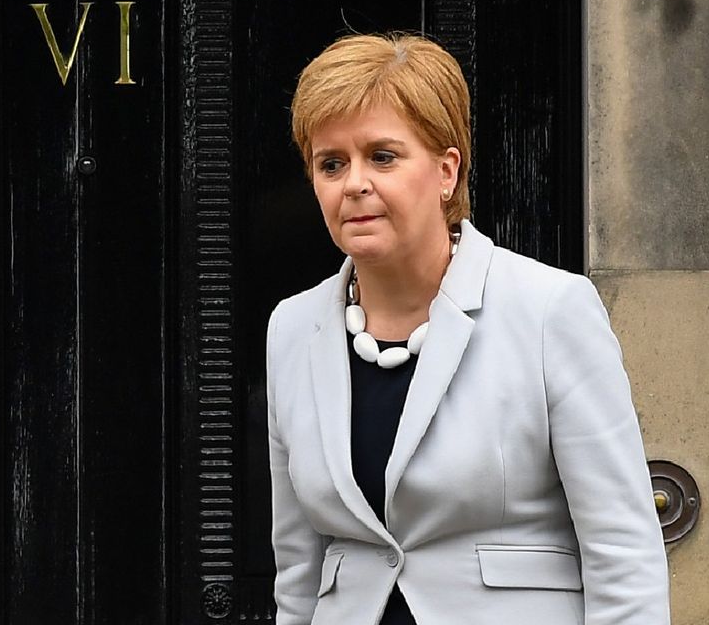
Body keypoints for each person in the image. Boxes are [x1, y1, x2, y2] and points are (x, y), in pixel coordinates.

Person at [267, 33, 668, 625]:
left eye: (382, 156)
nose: (354, 183)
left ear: (446, 171)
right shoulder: (291, 328)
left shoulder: (549, 309)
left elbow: (623, 553)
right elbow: (298, 568)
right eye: (332, 164)